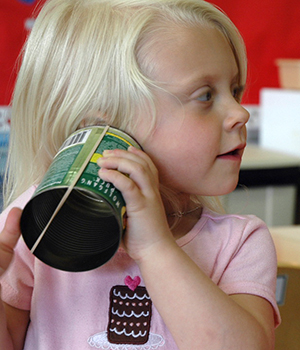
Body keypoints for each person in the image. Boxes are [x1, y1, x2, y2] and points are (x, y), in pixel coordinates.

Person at [0, 0, 280, 349]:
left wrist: (155, 247)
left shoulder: (240, 243)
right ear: (104, 128)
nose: (240, 112)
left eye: (235, 91)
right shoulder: (41, 221)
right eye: (205, 96)